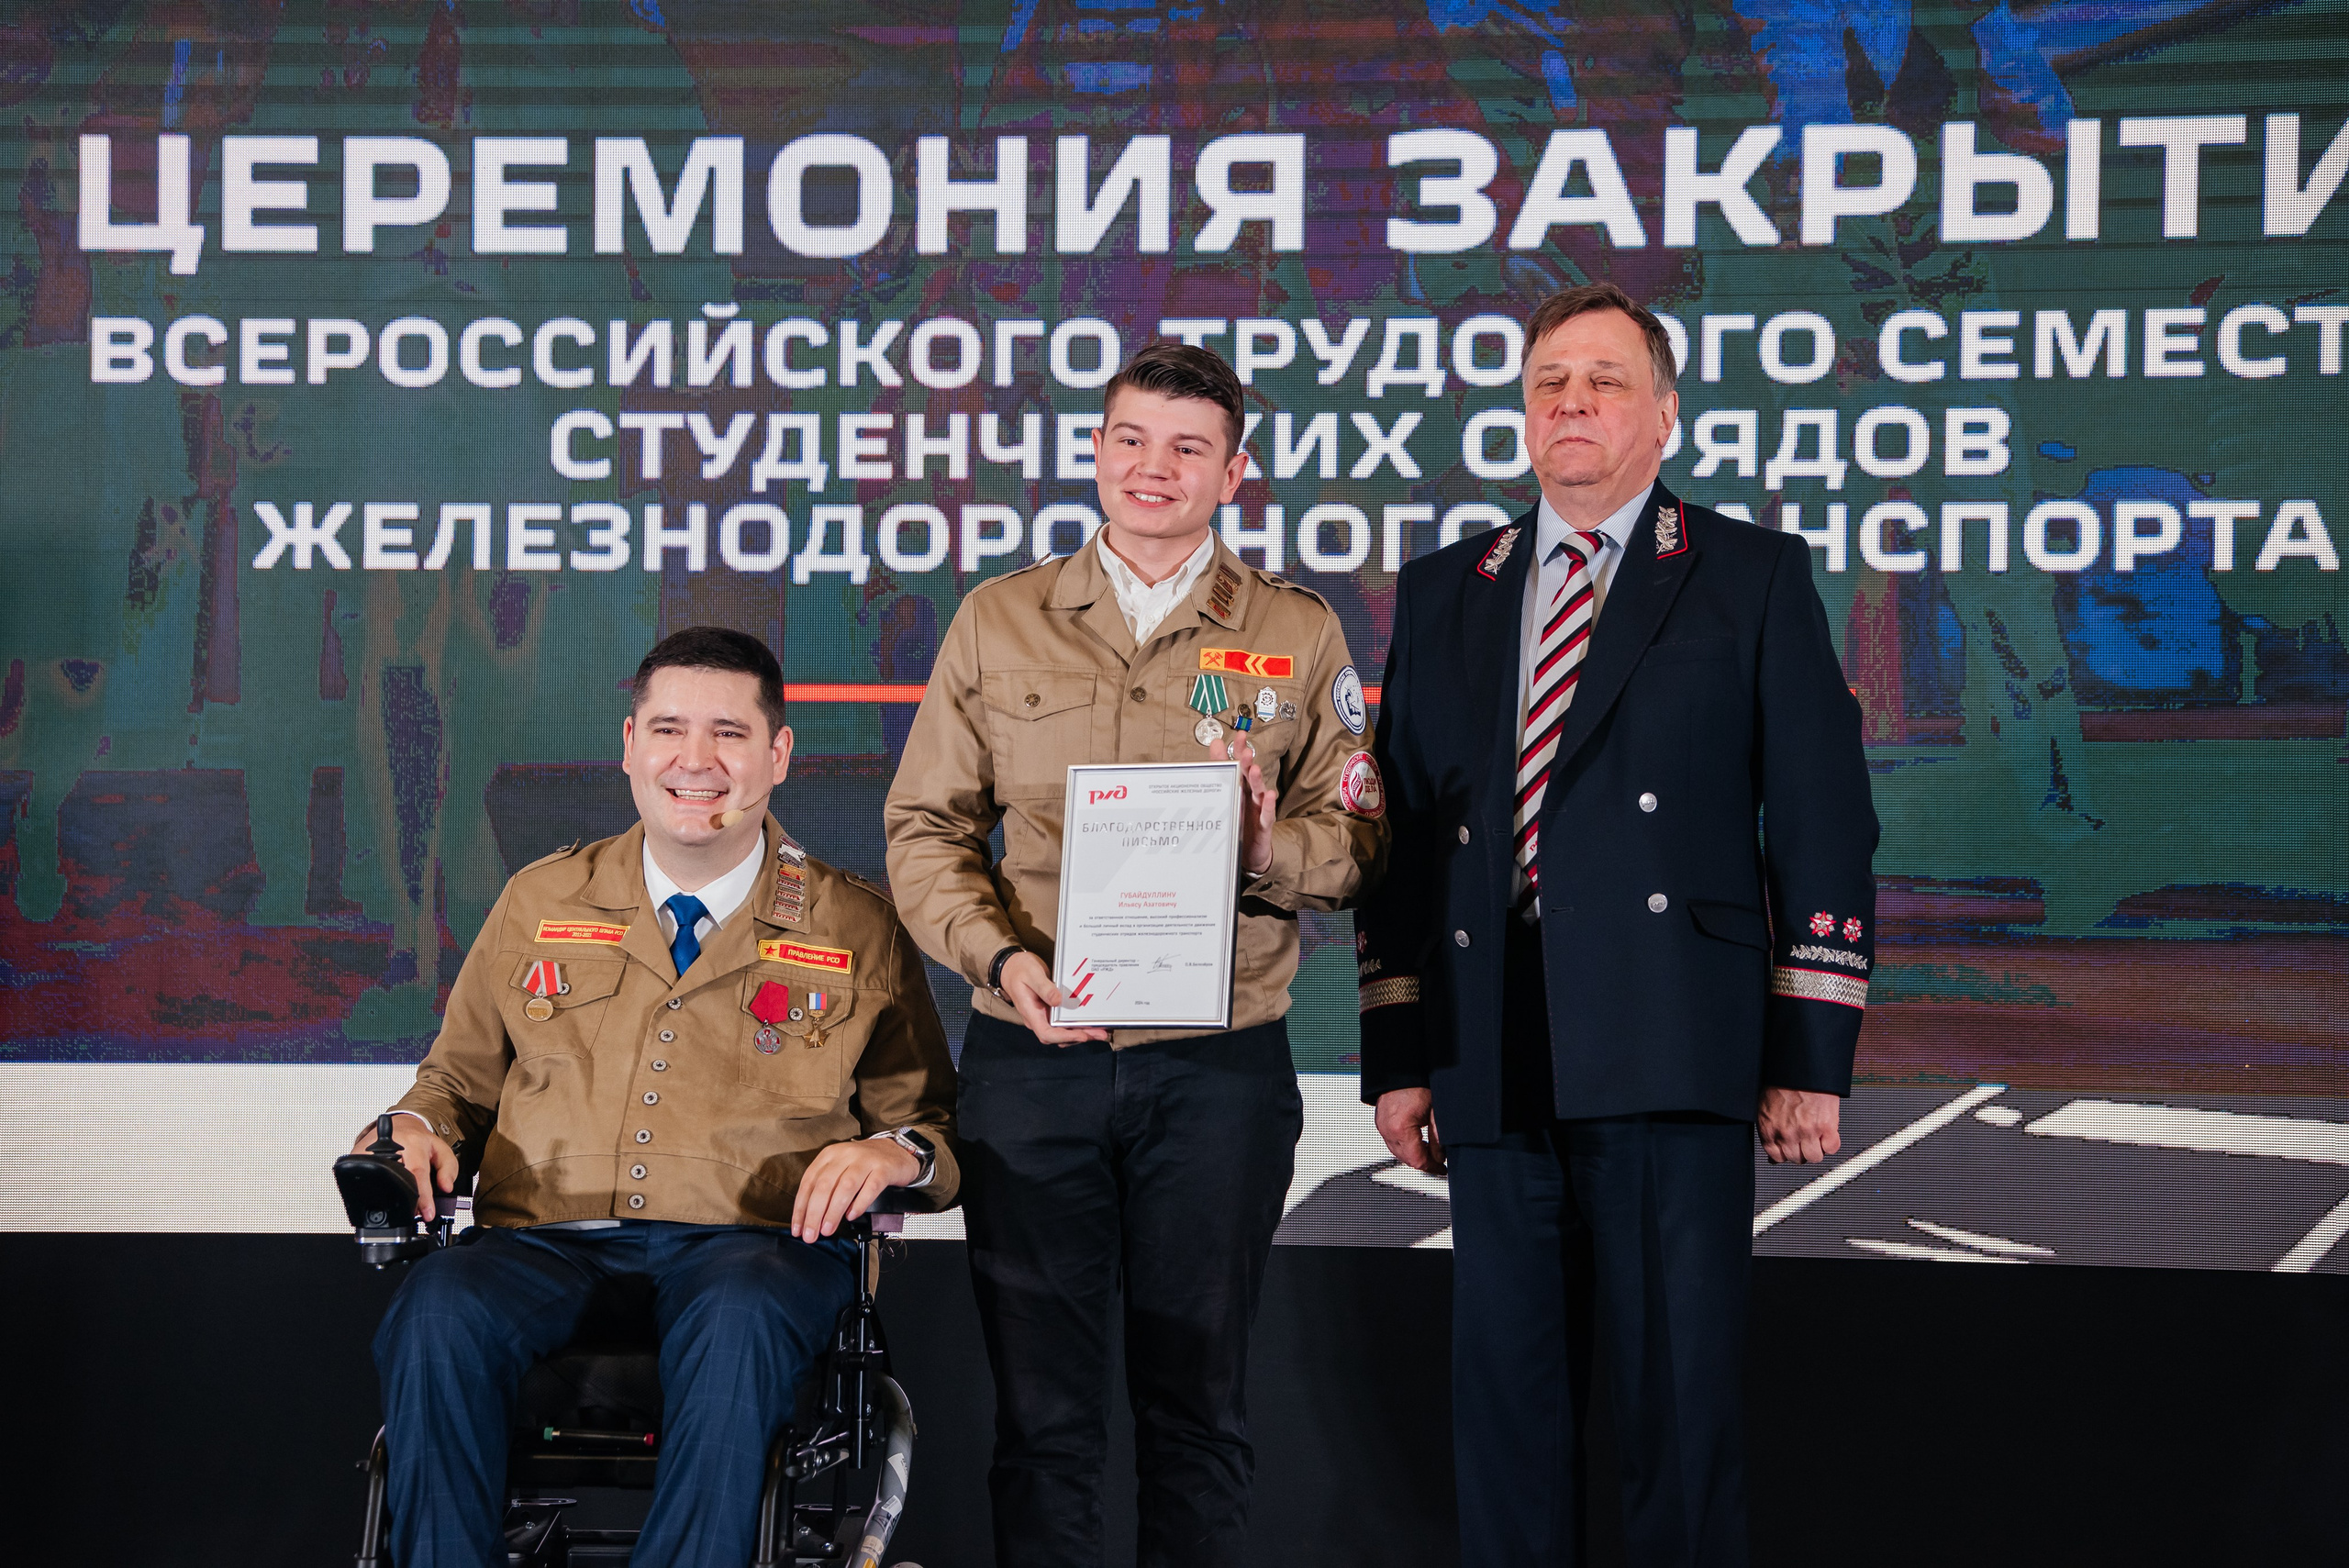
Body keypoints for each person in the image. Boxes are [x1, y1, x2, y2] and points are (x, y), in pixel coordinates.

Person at [1357, 281, 1877, 1566]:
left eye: (1604, 381)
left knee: (1676, 1415)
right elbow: (1402, 841)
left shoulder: (1749, 572)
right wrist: (1401, 1052)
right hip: (1492, 1042)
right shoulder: (1446, 587)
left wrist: (1808, 1053)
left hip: (1672, 1040)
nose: (1572, 403)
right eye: (1549, 383)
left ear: (1664, 414)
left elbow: (1821, 818)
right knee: (1506, 1417)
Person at [883, 341, 1387, 1568]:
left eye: (1187, 447)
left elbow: (1361, 846)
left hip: (1217, 1068)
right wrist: (1001, 964)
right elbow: (925, 829)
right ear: (1097, 450)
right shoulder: (1001, 618)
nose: (1153, 467)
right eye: (1130, 439)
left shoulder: (1297, 630)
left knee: (1197, 1413)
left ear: (1234, 473)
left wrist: (1266, 847)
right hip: (1034, 1055)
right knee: (1042, 1421)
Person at [354, 625, 957, 1568]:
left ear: (778, 754)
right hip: (543, 1240)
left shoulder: (856, 924)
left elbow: (931, 1127)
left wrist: (893, 1152)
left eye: (729, 732)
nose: (695, 760)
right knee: (437, 1307)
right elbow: (455, 1083)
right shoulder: (540, 900)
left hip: (753, 1249)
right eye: (670, 729)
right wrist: (416, 1126)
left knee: (739, 1318)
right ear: (631, 743)